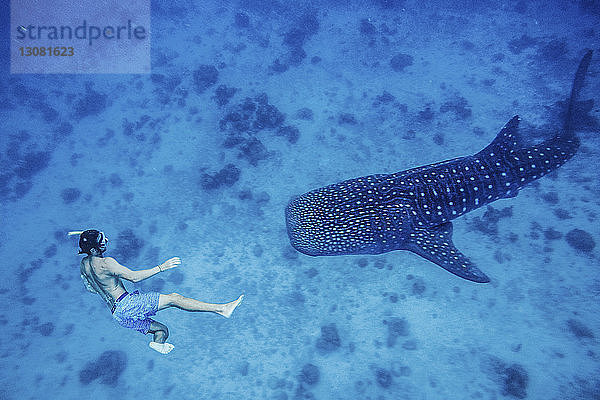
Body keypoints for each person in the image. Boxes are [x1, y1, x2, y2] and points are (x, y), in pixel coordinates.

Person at [70, 229, 243, 354]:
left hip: (117, 315)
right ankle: (221, 309)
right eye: (102, 240)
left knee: (162, 331)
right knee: (174, 298)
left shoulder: (84, 265)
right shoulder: (106, 262)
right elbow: (133, 278)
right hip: (127, 304)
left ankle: (158, 343)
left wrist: (108, 287)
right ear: (94, 249)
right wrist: (161, 267)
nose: (106, 240)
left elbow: (90, 288)